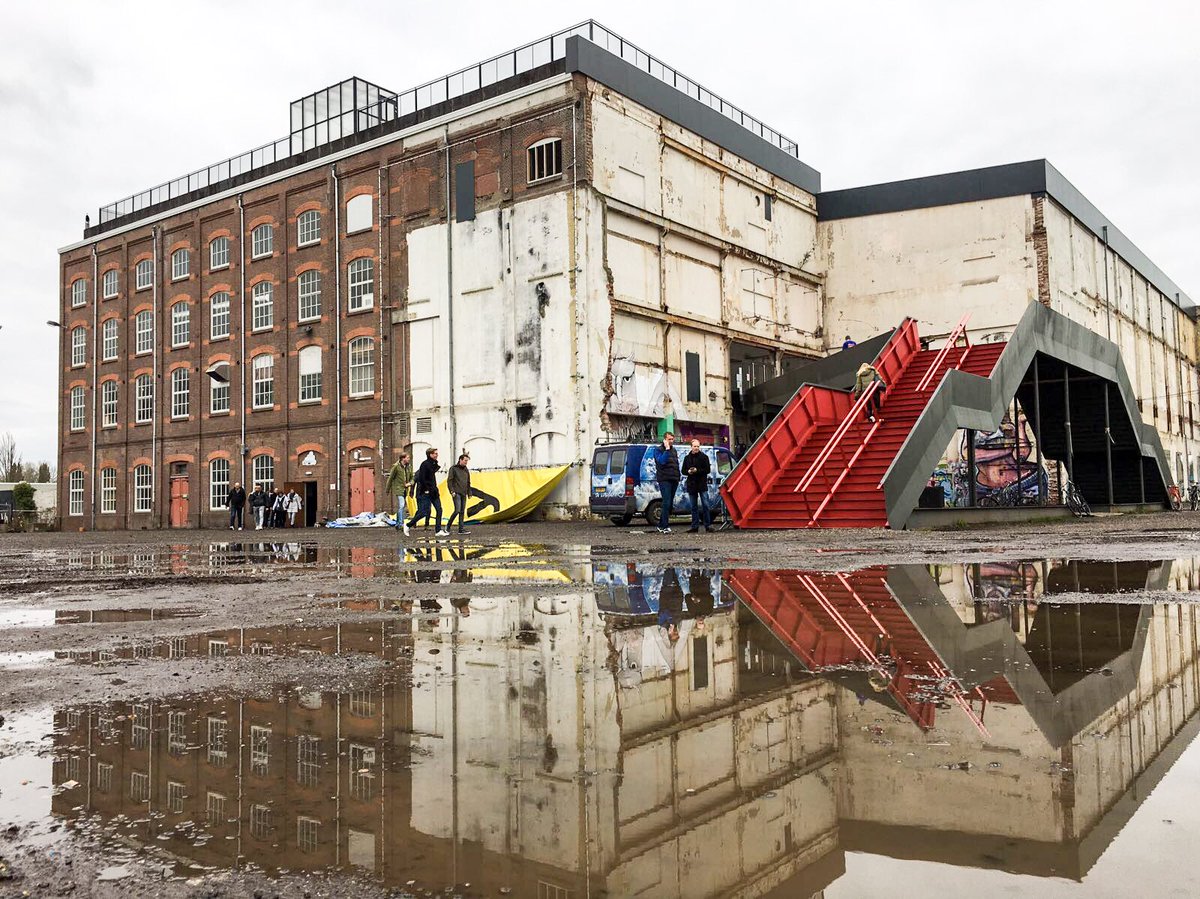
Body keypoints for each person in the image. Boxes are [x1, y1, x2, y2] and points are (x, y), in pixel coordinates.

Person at [405, 448, 449, 537]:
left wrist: (434, 489)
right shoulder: (425, 464)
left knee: (439, 509)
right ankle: (408, 525)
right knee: (424, 512)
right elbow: (421, 478)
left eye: (437, 453)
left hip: (434, 491)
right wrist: (426, 489)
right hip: (426, 492)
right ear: (430, 455)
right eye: (435, 453)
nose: (437, 455)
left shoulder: (433, 464)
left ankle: (438, 530)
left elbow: (432, 476)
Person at [682, 440, 713, 533]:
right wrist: (688, 471)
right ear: (691, 447)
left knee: (706, 505)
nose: (696, 448)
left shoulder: (704, 457)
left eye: (698, 446)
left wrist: (697, 470)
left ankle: (708, 525)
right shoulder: (687, 458)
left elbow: (707, 469)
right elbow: (683, 471)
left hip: (701, 484)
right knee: (693, 507)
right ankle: (695, 526)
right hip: (692, 484)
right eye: (695, 446)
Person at [653, 432, 680, 534]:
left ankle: (660, 525)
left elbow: (675, 464)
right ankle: (664, 526)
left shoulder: (674, 451)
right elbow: (662, 461)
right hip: (664, 479)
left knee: (669, 503)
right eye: (669, 439)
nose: (671, 441)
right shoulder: (658, 450)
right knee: (666, 502)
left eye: (672, 439)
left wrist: (678, 476)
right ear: (664, 440)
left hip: (674, 479)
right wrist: (667, 449)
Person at [384, 451, 414, 526]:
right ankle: (400, 523)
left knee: (402, 506)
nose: (409, 459)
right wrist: (387, 489)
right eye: (407, 458)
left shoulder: (408, 467)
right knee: (402, 505)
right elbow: (390, 478)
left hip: (405, 490)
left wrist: (410, 483)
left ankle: (397, 523)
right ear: (403, 458)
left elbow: (412, 477)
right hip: (399, 489)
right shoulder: (396, 467)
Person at [446, 453, 472, 535]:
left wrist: (469, 492)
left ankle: (461, 529)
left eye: (467, 461)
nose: (466, 462)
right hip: (456, 493)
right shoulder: (453, 469)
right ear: (460, 460)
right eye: (465, 460)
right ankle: (448, 527)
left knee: (462, 511)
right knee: (457, 510)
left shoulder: (466, 469)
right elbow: (450, 481)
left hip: (464, 493)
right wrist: (452, 491)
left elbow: (468, 482)